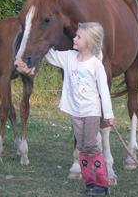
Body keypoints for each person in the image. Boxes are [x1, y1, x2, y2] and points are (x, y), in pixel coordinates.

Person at [45, 22, 115, 196]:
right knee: (82, 147)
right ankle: (90, 183)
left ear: (90, 42)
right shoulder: (69, 57)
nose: (74, 39)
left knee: (91, 145)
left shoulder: (95, 64)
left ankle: (102, 183)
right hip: (75, 112)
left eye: (78, 37)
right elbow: (51, 56)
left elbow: (104, 91)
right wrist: (42, 39)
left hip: (91, 111)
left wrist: (108, 114)